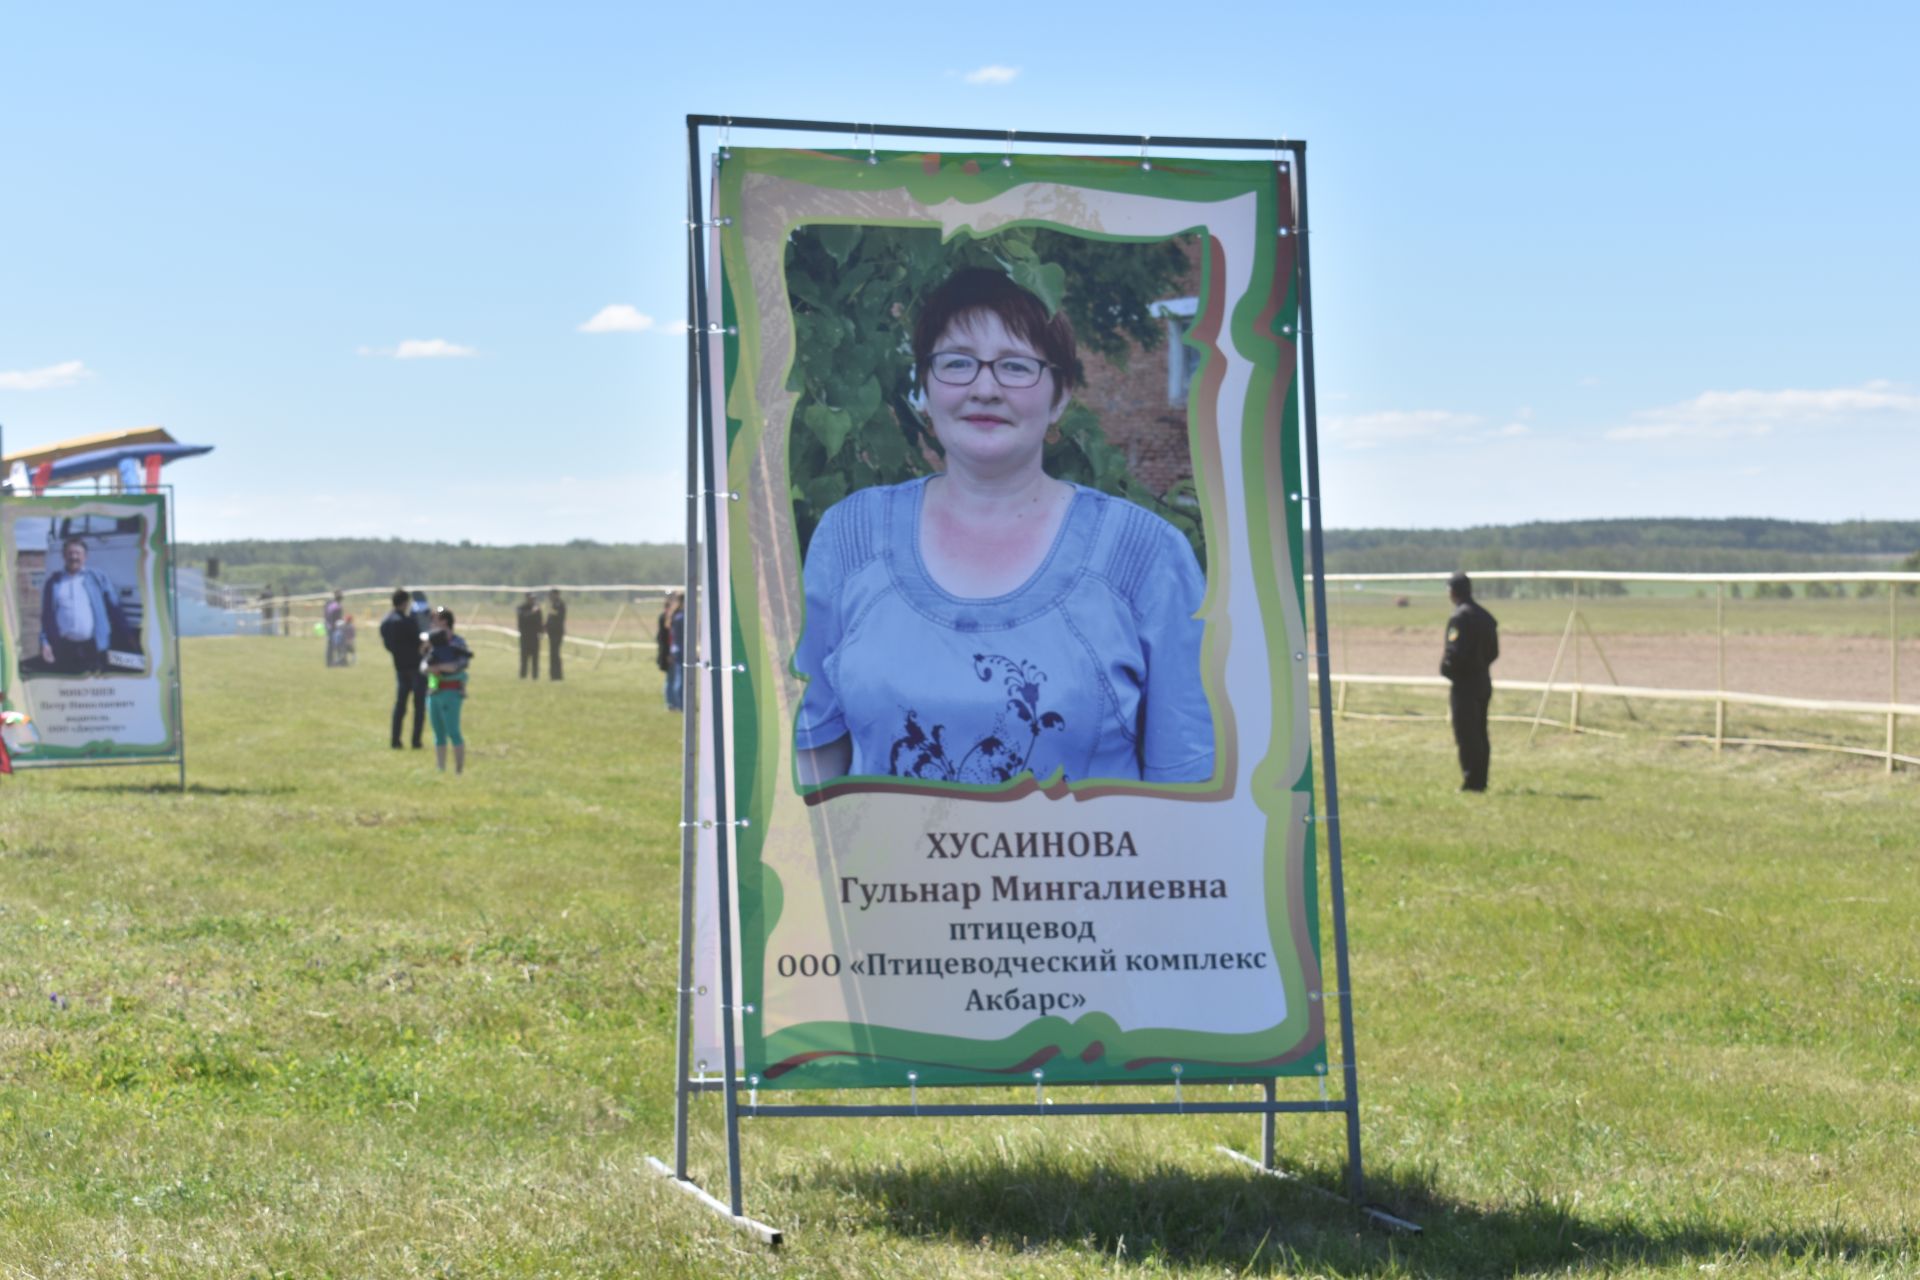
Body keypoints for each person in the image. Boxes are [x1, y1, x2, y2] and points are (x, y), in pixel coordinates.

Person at [793, 268, 1214, 787]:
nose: (984, 388)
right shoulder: (851, 537)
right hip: (885, 871)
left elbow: (1189, 782)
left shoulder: (1144, 555)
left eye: (1016, 366)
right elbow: (812, 752)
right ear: (923, 387)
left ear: (1061, 396)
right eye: (957, 364)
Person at [1440, 570, 1500, 792]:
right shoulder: (1486, 617)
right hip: (1483, 681)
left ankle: (1471, 781)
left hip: (1464, 684)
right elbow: (1494, 652)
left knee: (1466, 734)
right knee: (1481, 732)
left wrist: (1446, 670)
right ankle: (1481, 779)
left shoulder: (1459, 618)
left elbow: (1453, 653)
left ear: (1453, 592)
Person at [38, 537, 122, 675]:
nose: (74, 557)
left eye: (78, 553)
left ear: (85, 556)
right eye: (70, 553)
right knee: (68, 687)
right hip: (64, 646)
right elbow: (46, 615)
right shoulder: (53, 582)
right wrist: (44, 642)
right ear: (63, 556)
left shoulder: (97, 577)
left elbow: (114, 607)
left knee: (96, 686)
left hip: (94, 645)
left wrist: (127, 635)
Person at [422, 605, 473, 774]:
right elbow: (423, 665)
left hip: (451, 691)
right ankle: (440, 768)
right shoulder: (431, 642)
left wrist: (441, 666)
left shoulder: (457, 643)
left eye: (434, 620)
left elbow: (461, 664)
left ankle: (459, 770)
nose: (431, 624)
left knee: (453, 731)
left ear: (444, 622)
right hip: (433, 691)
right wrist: (432, 668)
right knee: (438, 733)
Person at [380, 587, 427, 749]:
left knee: (400, 705)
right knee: (419, 706)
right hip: (416, 667)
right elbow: (421, 640)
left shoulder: (385, 622)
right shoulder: (407, 622)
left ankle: (395, 740)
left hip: (399, 667)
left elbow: (388, 646)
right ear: (405, 602)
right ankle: (416, 741)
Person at [657, 591, 686, 712]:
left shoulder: (673, 615)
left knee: (673, 678)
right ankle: (679, 703)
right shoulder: (680, 617)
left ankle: (673, 703)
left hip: (674, 650)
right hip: (677, 651)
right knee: (678, 679)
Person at [516, 591, 543, 679]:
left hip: (535, 637)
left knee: (535, 658)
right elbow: (523, 618)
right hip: (525, 636)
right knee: (524, 658)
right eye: (531, 598)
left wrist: (542, 630)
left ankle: (535, 676)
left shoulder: (537, 609)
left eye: (533, 599)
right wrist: (532, 612)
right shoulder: (521, 608)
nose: (532, 600)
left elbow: (539, 622)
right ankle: (523, 676)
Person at [545, 587, 567, 681]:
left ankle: (557, 675)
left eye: (551, 595)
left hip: (557, 632)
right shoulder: (553, 605)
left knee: (555, 653)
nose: (550, 597)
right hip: (552, 632)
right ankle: (553, 675)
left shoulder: (559, 605)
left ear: (556, 595)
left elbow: (558, 618)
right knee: (553, 653)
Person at [323, 589, 345, 666]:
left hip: (329, 626)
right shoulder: (337, 607)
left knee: (330, 646)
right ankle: (335, 662)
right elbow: (337, 619)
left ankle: (330, 662)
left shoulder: (330, 605)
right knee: (334, 645)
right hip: (333, 628)